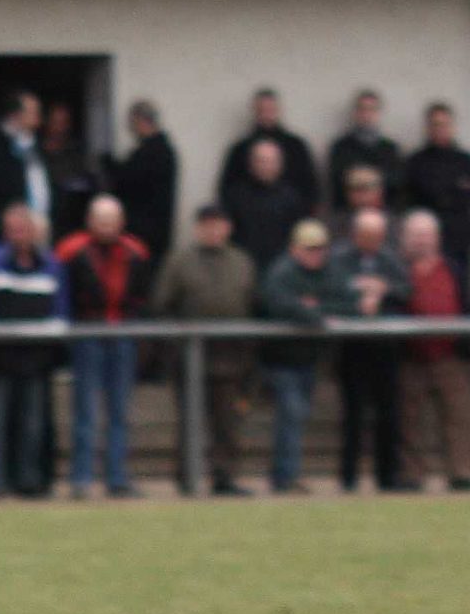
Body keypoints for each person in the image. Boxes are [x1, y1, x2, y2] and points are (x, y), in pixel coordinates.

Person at [151, 202, 261, 496]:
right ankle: (187, 477)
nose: (213, 230)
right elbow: (161, 305)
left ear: (228, 228)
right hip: (190, 357)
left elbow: (253, 304)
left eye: (218, 224)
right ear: (198, 228)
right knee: (189, 421)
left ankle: (224, 476)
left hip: (231, 357)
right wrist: (177, 341)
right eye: (207, 224)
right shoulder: (179, 261)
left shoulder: (242, 261)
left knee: (228, 422)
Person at [0, 202, 66, 498]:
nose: (19, 235)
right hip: (1, 357)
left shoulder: (51, 265)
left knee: (33, 424)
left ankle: (29, 483)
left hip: (36, 359)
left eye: (24, 229)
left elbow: (60, 312)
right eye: (13, 229)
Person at [54, 194, 152, 497]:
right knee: (85, 411)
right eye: (100, 220)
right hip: (87, 333)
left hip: (121, 332)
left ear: (121, 223)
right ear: (90, 221)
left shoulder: (136, 251)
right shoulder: (71, 251)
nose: (106, 226)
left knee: (120, 411)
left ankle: (117, 477)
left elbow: (142, 296)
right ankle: (82, 479)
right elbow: (63, 295)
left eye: (111, 220)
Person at [393, 210, 470, 493]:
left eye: (427, 235)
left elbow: (468, 304)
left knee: (458, 418)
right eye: (416, 235)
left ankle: (462, 473)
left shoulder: (453, 268)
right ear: (405, 239)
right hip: (411, 356)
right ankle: (412, 475)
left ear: (437, 238)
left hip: (449, 356)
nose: (421, 241)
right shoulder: (396, 270)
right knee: (410, 421)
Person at [326, 207, 409, 491]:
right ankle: (348, 478)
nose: (373, 241)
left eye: (377, 236)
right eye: (367, 235)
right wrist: (358, 294)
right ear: (355, 234)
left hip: (384, 346)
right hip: (352, 347)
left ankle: (388, 477)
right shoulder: (339, 258)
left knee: (388, 413)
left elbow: (406, 289)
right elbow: (331, 289)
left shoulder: (389, 258)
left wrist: (382, 289)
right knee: (353, 414)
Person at [259, 219, 337, 494]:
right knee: (291, 415)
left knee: (297, 416)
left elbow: (345, 300)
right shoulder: (281, 272)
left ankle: (286, 474)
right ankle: (285, 476)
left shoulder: (327, 271)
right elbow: (278, 303)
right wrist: (315, 313)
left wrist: (313, 308)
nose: (317, 254)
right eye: (310, 248)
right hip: (281, 360)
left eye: (320, 248)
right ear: (295, 248)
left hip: (308, 359)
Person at [402, 102, 470, 271]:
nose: (440, 129)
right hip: (427, 242)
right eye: (435, 125)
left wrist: (443, 193)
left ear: (452, 126)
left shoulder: (466, 160)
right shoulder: (416, 162)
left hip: (459, 239)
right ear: (428, 128)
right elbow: (418, 196)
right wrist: (454, 189)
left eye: (444, 124)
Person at [0, 91, 49, 251]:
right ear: (15, 115)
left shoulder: (36, 147)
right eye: (33, 112)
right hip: (7, 237)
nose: (38, 118)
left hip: (41, 231)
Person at [217, 86, 320, 208]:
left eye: (270, 109)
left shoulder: (296, 146)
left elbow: (310, 187)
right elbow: (227, 189)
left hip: (291, 214)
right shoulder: (240, 149)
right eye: (262, 110)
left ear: (278, 110)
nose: (266, 114)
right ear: (254, 111)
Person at [108, 99, 178, 266]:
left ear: (140, 121)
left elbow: (128, 182)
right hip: (153, 233)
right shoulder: (163, 151)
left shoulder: (152, 153)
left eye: (132, 123)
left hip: (143, 234)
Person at [224, 140, 308, 272]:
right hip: (243, 266)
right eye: (261, 161)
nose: (266, 166)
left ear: (280, 164)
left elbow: (298, 235)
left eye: (271, 161)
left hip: (283, 267)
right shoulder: (236, 196)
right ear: (251, 164)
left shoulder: (292, 197)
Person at [324, 88, 403, 211]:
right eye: (362, 109)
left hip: (383, 214)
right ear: (355, 112)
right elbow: (337, 180)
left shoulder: (390, 149)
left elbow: (396, 181)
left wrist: (373, 180)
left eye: (371, 109)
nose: (366, 114)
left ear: (378, 113)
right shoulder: (340, 147)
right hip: (347, 213)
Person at [40, 100, 95, 243]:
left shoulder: (77, 153)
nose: (60, 128)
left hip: (72, 221)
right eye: (55, 122)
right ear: (47, 123)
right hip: (42, 219)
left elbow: (90, 182)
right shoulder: (36, 152)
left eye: (63, 122)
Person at [332, 165, 393, 247]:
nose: (361, 196)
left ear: (380, 191)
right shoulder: (338, 222)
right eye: (355, 190)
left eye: (366, 189)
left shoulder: (391, 221)